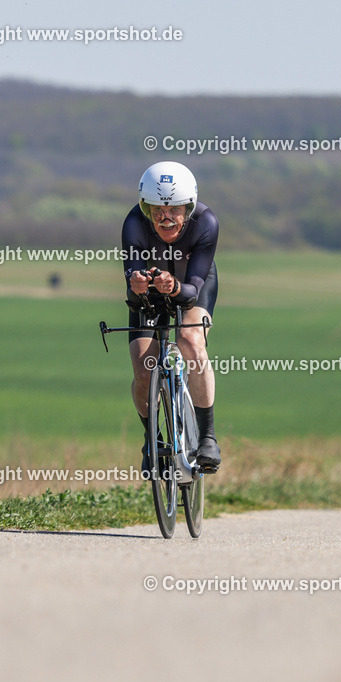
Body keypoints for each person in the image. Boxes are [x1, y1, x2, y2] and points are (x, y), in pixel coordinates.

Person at [122, 161, 221, 474]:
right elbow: (133, 285)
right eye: (156, 209)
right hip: (151, 287)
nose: (166, 218)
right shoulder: (134, 223)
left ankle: (207, 437)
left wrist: (175, 286)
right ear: (145, 208)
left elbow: (192, 291)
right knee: (143, 365)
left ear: (189, 208)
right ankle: (153, 439)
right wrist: (137, 285)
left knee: (191, 340)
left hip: (192, 282)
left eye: (175, 209)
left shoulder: (206, 222)